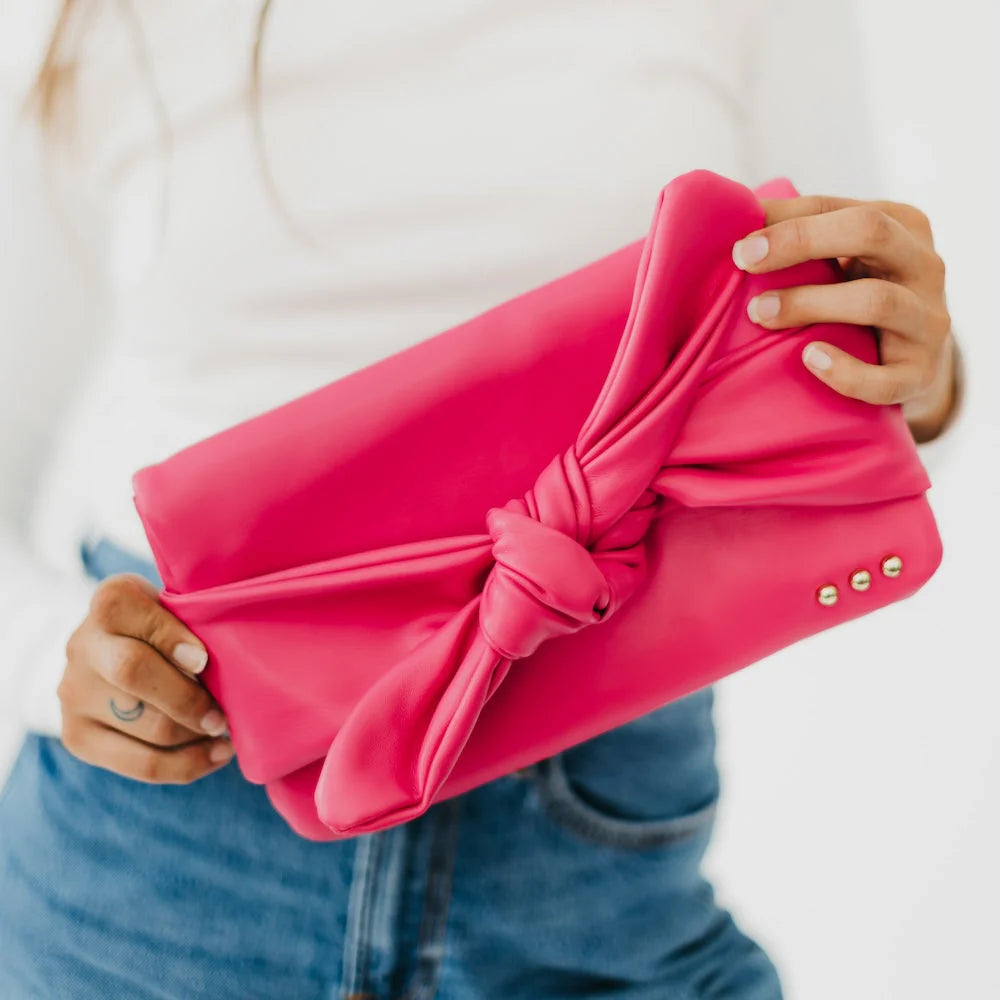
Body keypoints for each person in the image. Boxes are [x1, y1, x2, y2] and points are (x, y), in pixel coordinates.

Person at [0, 1, 964, 997]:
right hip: (168, 818)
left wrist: (916, 361)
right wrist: (50, 661)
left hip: (599, 839)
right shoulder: (107, 19)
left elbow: (842, 340)